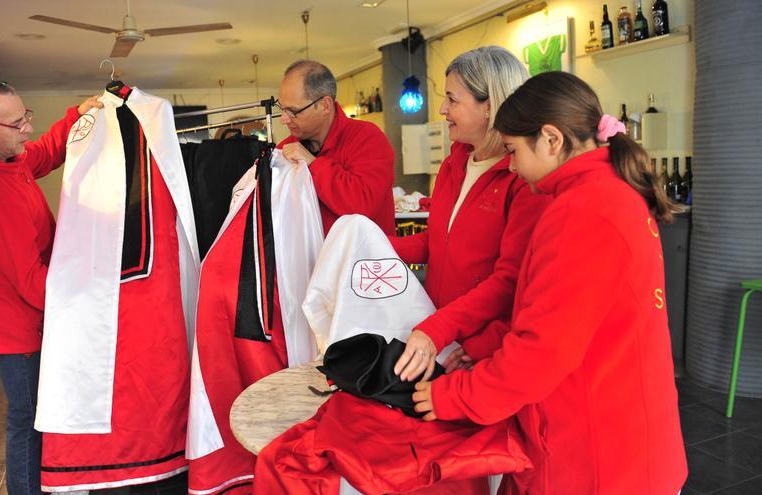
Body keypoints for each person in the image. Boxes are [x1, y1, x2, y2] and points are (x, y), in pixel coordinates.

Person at [411, 71, 687, 493]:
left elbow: (542, 350)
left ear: (552, 139)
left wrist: (455, 396)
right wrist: (484, 347)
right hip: (614, 427)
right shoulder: (601, 193)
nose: (514, 166)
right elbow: (560, 310)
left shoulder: (584, 210)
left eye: (514, 151)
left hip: (598, 451)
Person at [0, 79, 101, 495]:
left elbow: (41, 155)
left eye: (25, 116)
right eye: (17, 124)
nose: (27, 129)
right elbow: (31, 281)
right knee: (29, 420)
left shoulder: (0, 153)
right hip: (19, 326)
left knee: (33, 417)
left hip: (28, 310)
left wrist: (76, 117)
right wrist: (87, 300)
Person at [390, 46, 550, 382]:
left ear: (489, 105)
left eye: (452, 99)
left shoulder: (522, 179)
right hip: (440, 334)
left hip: (477, 348)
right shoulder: (455, 162)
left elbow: (511, 281)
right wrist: (368, 243)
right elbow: (437, 241)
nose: (442, 109)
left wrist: (465, 338)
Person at [277, 59, 396, 235]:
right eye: (281, 108)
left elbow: (362, 206)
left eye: (293, 111)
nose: (284, 119)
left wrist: (313, 164)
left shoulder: (367, 138)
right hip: (309, 261)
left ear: (325, 105)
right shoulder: (286, 148)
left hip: (361, 258)